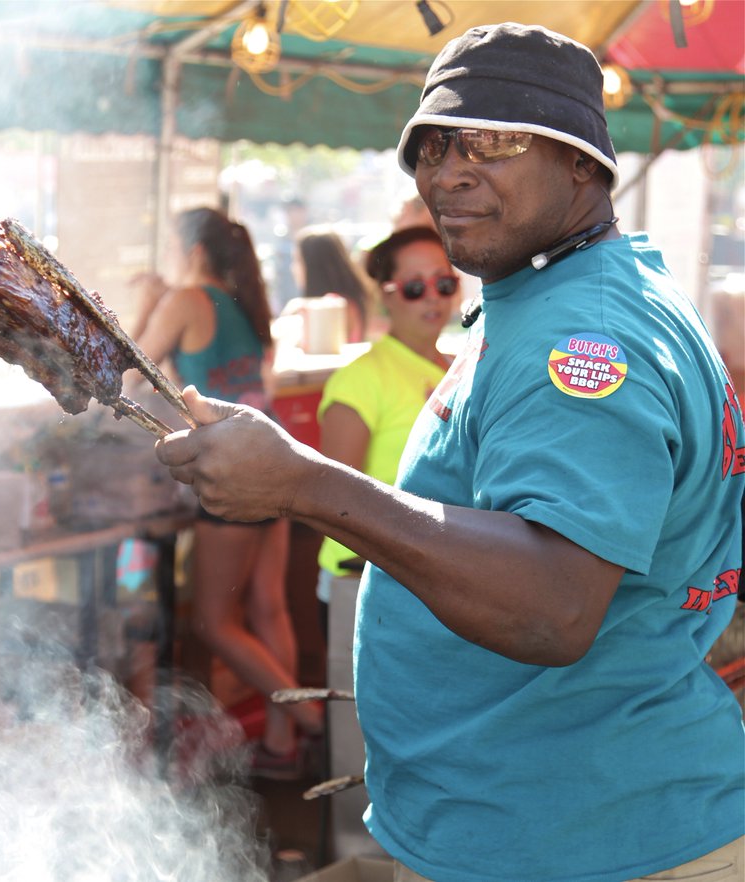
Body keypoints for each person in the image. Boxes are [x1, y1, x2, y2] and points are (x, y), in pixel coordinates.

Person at [154, 22, 744, 882]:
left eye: (493, 142)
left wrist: (302, 484)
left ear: (583, 163)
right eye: (430, 147)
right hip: (545, 823)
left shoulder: (584, 338)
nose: (450, 171)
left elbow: (553, 605)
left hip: (584, 842)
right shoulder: (562, 295)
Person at [130, 206, 323, 779]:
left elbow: (130, 374)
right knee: (267, 606)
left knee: (215, 621)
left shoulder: (186, 300)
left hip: (230, 470)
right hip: (272, 457)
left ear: (191, 251)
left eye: (171, 247)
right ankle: (283, 743)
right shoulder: (243, 303)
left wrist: (147, 306)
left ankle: (314, 718)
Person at [313, 226, 456, 857]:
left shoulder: (464, 369)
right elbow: (332, 501)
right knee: (364, 747)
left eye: (445, 283)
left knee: (432, 742)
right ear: (386, 294)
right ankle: (360, 865)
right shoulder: (361, 380)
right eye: (416, 287)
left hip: (442, 579)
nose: (434, 299)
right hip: (364, 583)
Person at [286, 225, 371, 346]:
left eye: (298, 260)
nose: (292, 268)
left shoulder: (333, 305)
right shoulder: (348, 301)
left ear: (314, 265)